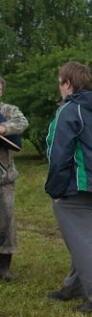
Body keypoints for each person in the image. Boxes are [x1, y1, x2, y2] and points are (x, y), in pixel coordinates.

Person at [44, 61, 92, 313]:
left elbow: (59, 153)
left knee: (85, 244)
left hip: (75, 189)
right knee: (83, 240)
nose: (59, 88)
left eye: (59, 83)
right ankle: (75, 286)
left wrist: (56, 190)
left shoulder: (69, 111)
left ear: (67, 84)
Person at [0, 74, 29, 281]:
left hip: (4, 177)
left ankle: (4, 268)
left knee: (6, 221)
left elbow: (22, 122)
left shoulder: (8, 110)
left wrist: (3, 128)